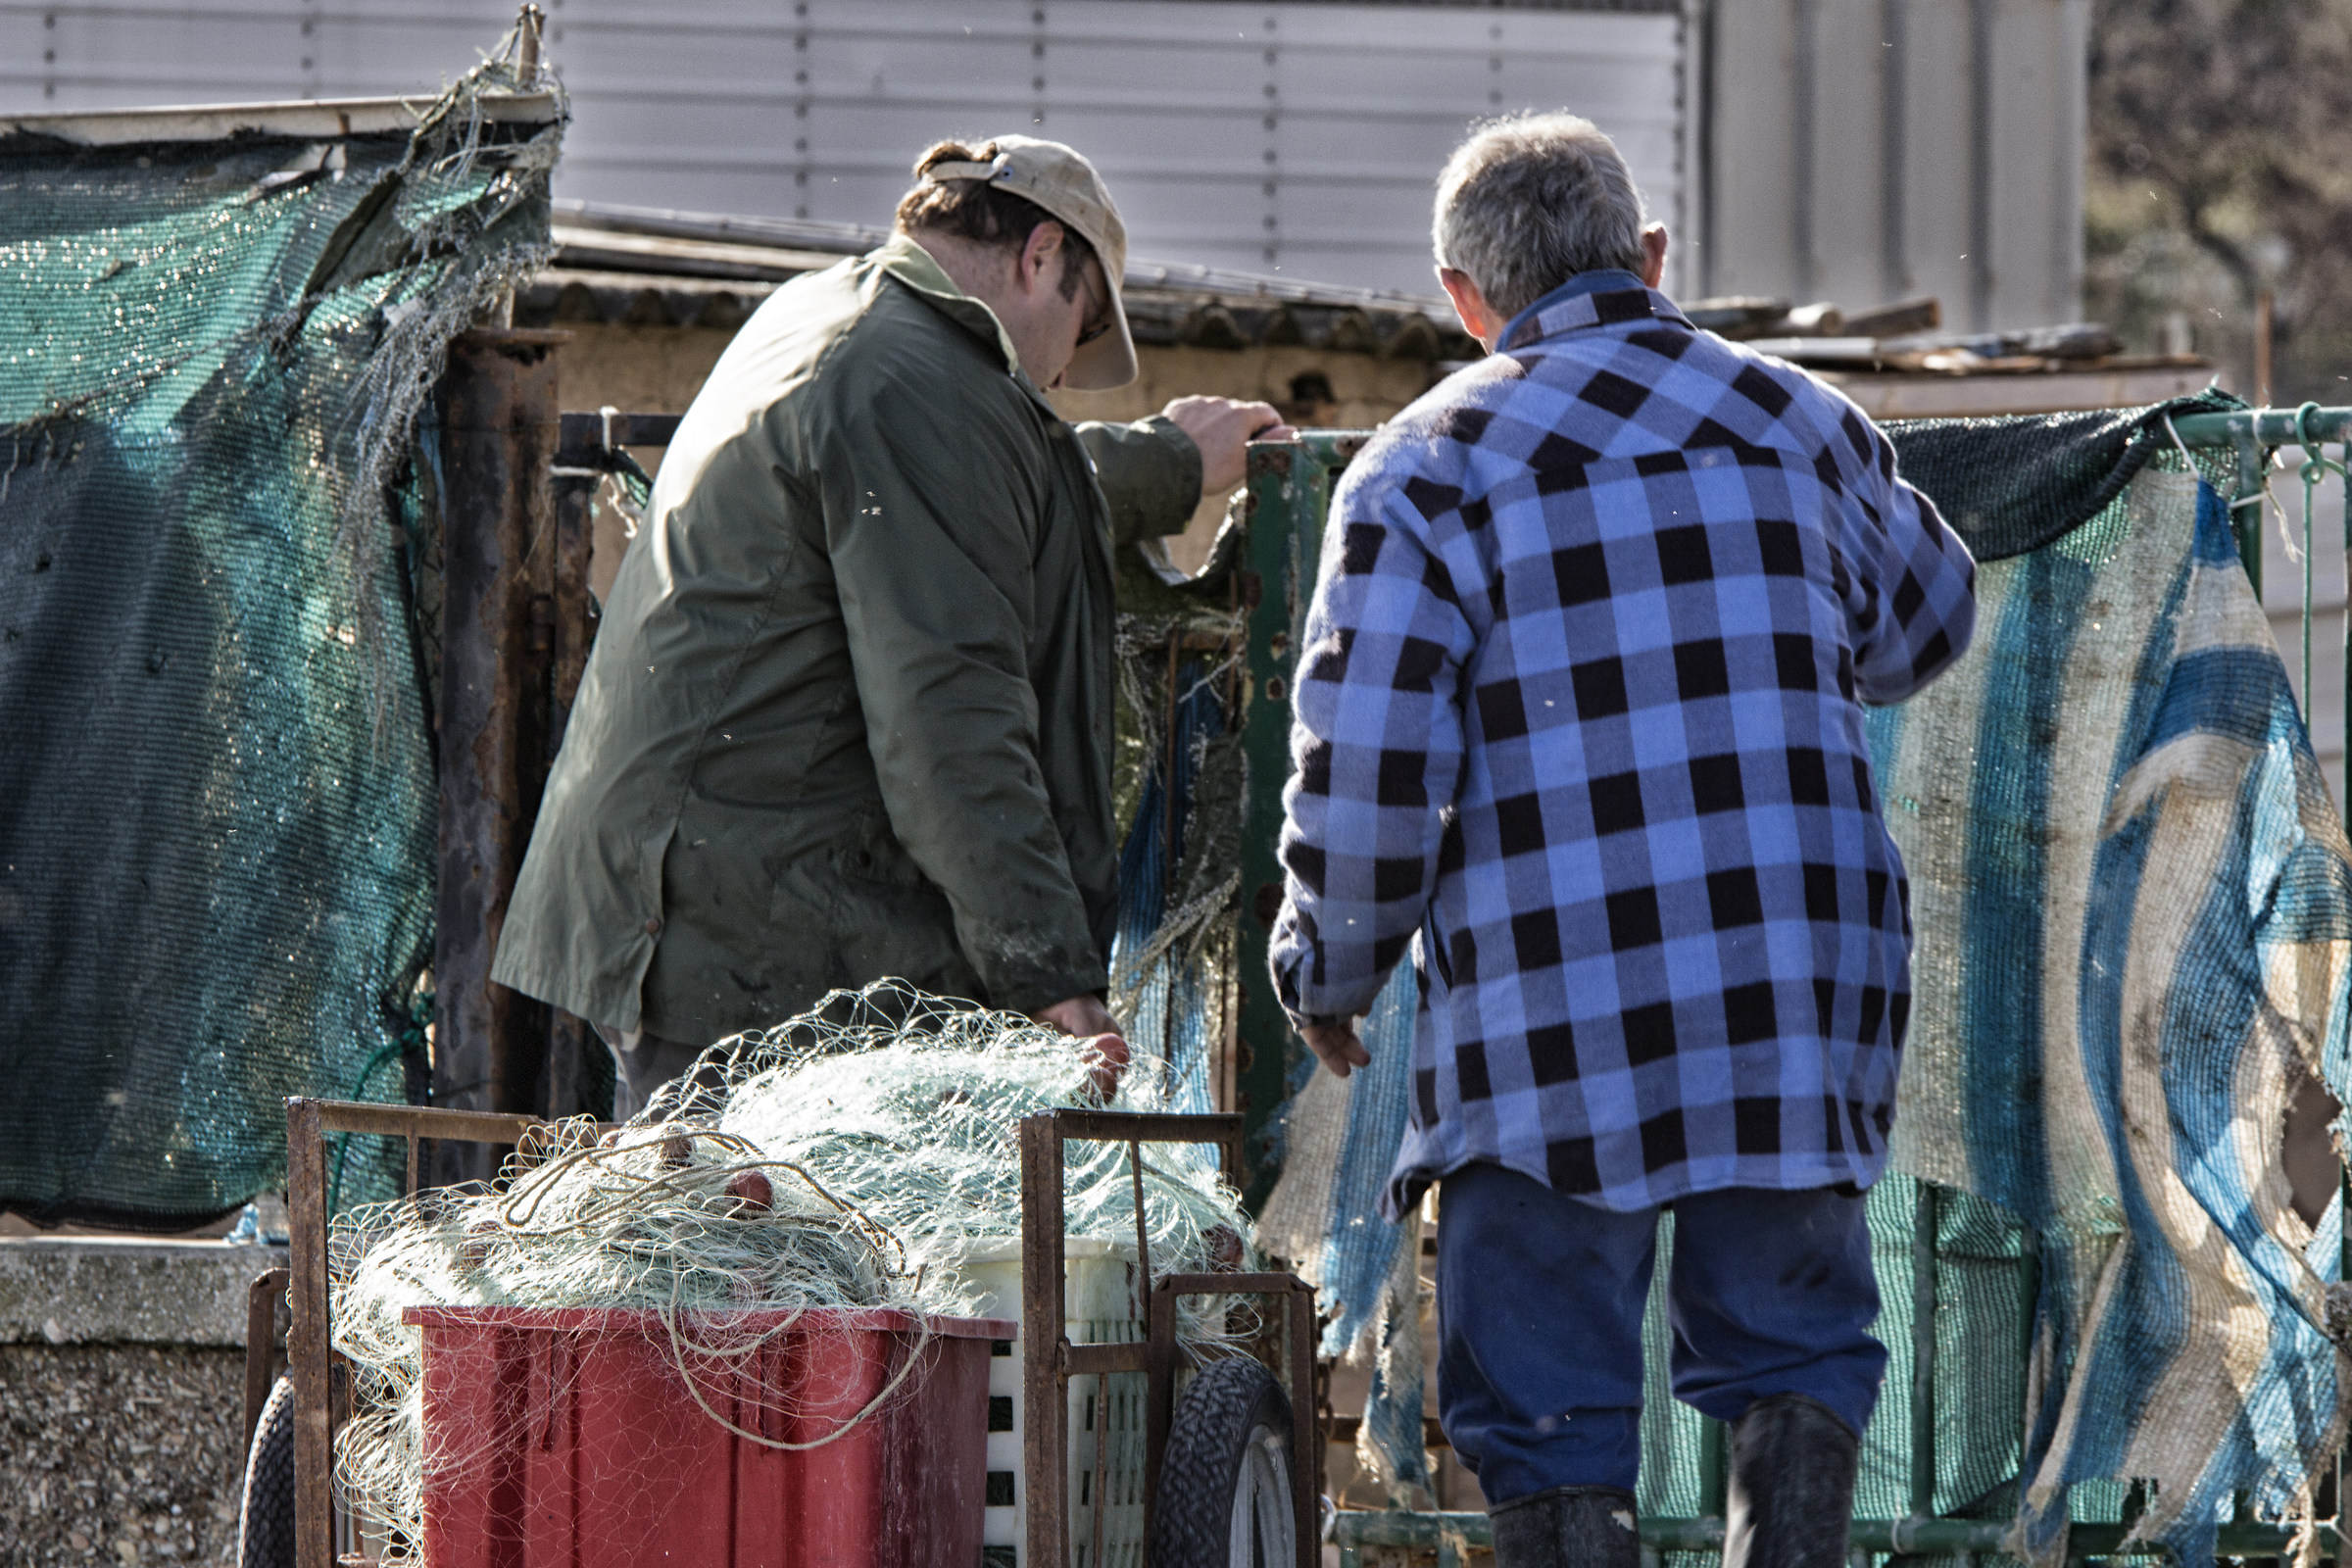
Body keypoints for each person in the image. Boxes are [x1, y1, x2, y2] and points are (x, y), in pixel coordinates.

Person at [1267, 114, 1977, 1568]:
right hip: (1795, 984)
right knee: (1790, 1349)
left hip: (1551, 1007)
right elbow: (1929, 624)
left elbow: (1371, 770)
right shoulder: (1801, 420)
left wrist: (1329, 968)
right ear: (1653, 259)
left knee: (1541, 1391)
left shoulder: (1421, 472)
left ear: (1465, 299)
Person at [494, 135, 1289, 1115]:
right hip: (756, 947)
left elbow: (992, 500)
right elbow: (948, 720)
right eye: (1077, 335)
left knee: (720, 1236)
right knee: (777, 1257)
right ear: (1042, 255)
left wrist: (1166, 463)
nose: (1057, 374)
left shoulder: (832, 315)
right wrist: (1048, 974)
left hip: (691, 907)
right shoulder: (921, 384)